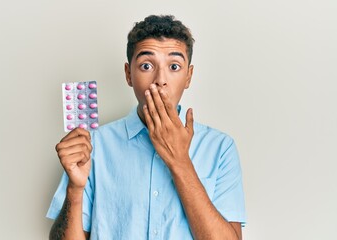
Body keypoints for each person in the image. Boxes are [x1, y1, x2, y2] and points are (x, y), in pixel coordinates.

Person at [47, 15, 246, 240]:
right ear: (128, 74)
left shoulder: (220, 148)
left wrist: (180, 161)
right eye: (146, 65)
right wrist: (74, 189)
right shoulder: (93, 146)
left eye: (174, 66)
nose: (160, 80)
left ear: (188, 76)